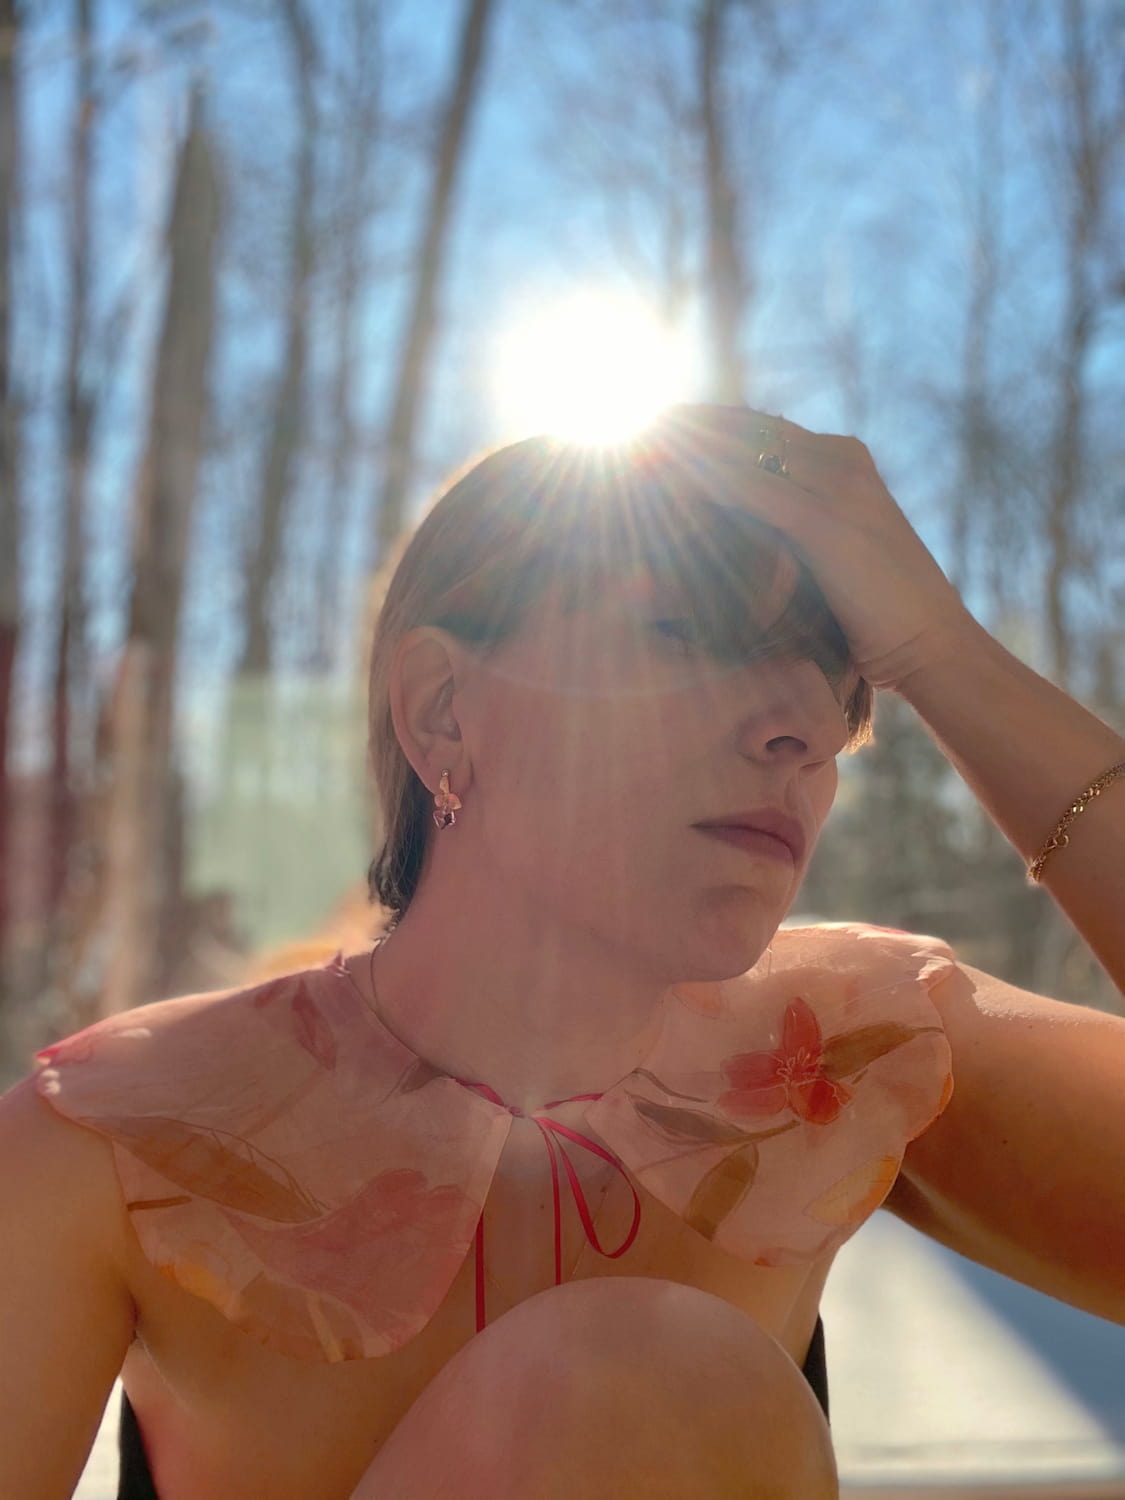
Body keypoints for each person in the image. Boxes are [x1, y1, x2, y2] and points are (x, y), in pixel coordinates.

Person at [2, 405, 1122, 1500]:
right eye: (693, 633)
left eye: (845, 697)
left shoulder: (864, 1043)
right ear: (443, 710)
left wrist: (941, 650)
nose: (808, 732)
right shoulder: (116, 1140)